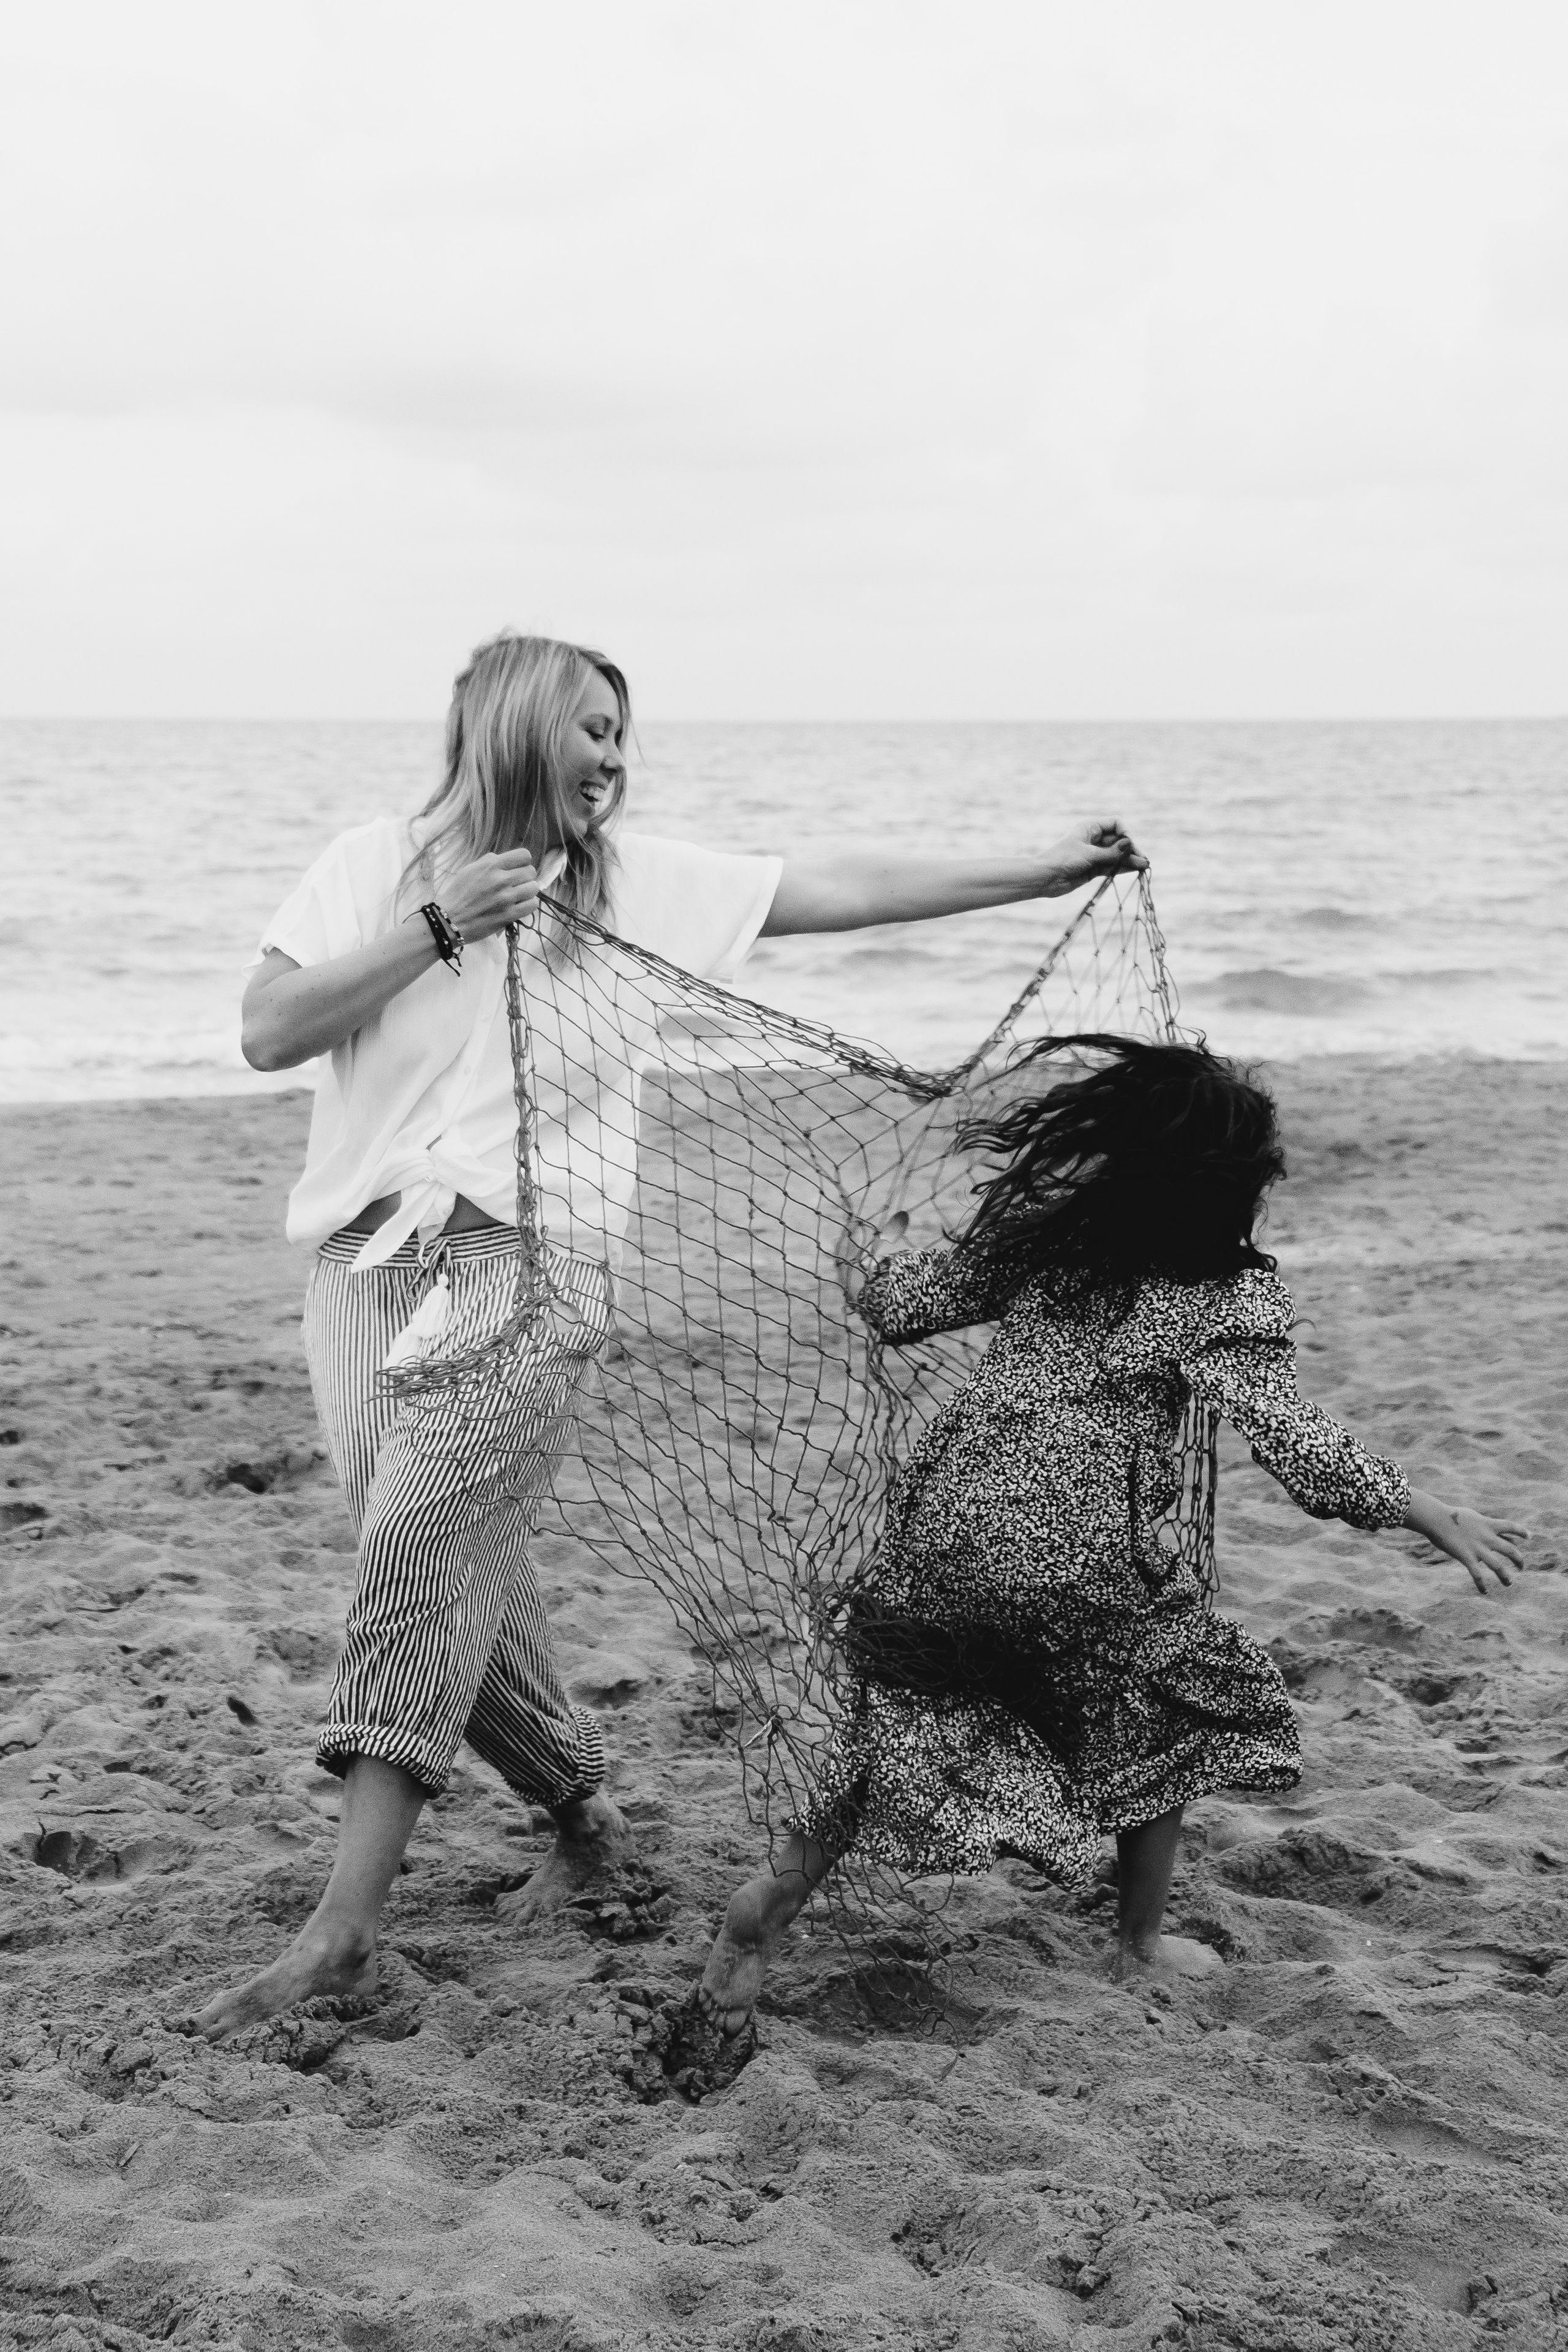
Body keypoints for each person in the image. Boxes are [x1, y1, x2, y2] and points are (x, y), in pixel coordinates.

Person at [195, 629, 1147, 2040]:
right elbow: (268, 1032)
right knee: (452, 1571)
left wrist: (1043, 865)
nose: (615, 760)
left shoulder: (636, 889)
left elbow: (836, 888)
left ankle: (342, 1926)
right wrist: (438, 922)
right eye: (593, 730)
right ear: (516, 725)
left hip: (542, 1268)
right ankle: (575, 1801)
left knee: (412, 1553)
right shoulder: (365, 862)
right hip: (363, 1265)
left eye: (624, 737)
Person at [698, 1036, 1528, 2034]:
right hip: (1080, 1545)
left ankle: (773, 1896)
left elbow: (899, 1305)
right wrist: (1429, 1511)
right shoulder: (1227, 1297)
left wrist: (858, 1265)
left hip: (946, 1524)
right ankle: (1138, 1944)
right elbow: (1297, 1446)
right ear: (1231, 1196)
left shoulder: (1048, 1247)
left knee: (903, 1716)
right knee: (1170, 1701)